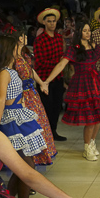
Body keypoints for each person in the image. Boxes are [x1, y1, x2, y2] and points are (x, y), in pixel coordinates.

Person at [0, 36, 47, 198]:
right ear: (8, 50)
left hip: (18, 116)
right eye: (16, 47)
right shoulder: (5, 72)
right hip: (11, 121)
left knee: (23, 167)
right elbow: (0, 100)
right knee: (26, 167)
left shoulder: (9, 71)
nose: (19, 49)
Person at [41, 21, 100, 160]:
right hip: (82, 84)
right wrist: (47, 81)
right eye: (85, 31)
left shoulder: (93, 45)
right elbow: (61, 64)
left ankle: (92, 143)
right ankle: (87, 147)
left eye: (89, 30)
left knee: (99, 117)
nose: (88, 33)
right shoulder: (73, 48)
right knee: (90, 119)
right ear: (79, 32)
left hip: (96, 82)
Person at [13, 33, 57, 167]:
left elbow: (31, 71)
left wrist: (42, 83)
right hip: (21, 94)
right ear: (19, 38)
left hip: (31, 93)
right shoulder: (12, 57)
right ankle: (29, 157)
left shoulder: (24, 55)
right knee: (29, 125)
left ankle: (40, 155)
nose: (26, 38)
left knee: (40, 122)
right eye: (24, 36)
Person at [33, 8, 67, 142]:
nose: (52, 24)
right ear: (44, 23)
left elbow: (62, 57)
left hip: (58, 78)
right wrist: (58, 63)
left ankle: (53, 131)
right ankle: (46, 134)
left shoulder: (59, 38)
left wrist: (60, 65)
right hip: (44, 79)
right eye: (49, 21)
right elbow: (40, 62)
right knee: (46, 107)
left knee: (56, 107)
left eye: (54, 21)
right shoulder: (39, 40)